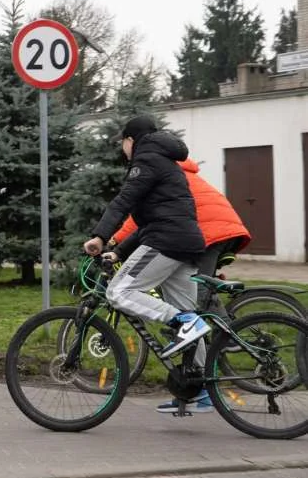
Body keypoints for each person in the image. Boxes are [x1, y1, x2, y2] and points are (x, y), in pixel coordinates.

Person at [83, 115, 211, 413]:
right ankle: (199, 392)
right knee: (189, 314)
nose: (122, 149)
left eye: (123, 143)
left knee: (119, 292)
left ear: (131, 139)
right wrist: (119, 251)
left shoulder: (146, 159)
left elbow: (123, 202)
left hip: (166, 241)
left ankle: (183, 324)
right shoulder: (164, 159)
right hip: (183, 241)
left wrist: (100, 236)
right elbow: (149, 220)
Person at [109, 158, 252, 310]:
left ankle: (221, 331)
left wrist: (113, 242)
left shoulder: (164, 178)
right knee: (198, 284)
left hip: (207, 233)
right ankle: (189, 327)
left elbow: (138, 220)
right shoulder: (184, 174)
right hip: (227, 231)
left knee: (199, 291)